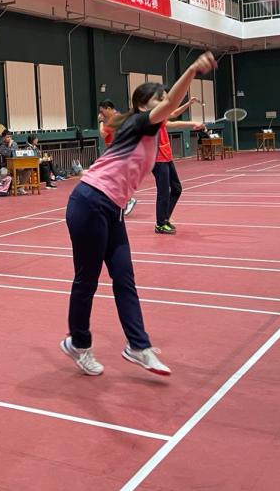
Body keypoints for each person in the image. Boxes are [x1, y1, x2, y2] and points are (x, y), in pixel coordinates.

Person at [61, 51, 217, 378]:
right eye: (161, 100)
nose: (167, 104)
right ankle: (78, 343)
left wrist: (187, 116)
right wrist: (191, 69)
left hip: (113, 208)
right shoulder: (138, 122)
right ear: (145, 105)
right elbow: (171, 103)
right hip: (89, 202)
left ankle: (137, 345)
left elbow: (172, 111)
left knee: (124, 277)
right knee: (87, 279)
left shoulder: (149, 128)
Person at [153, 98, 204, 235]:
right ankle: (160, 224)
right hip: (158, 160)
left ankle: (165, 218)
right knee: (163, 192)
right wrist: (193, 123)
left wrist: (188, 104)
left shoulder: (161, 114)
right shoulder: (154, 116)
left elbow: (174, 113)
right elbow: (173, 124)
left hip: (167, 158)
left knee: (177, 188)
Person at [98, 101, 137, 217]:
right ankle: (119, 202)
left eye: (102, 111)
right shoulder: (117, 117)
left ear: (108, 108)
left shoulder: (114, 119)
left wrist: (100, 121)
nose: (101, 114)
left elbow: (103, 134)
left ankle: (128, 200)